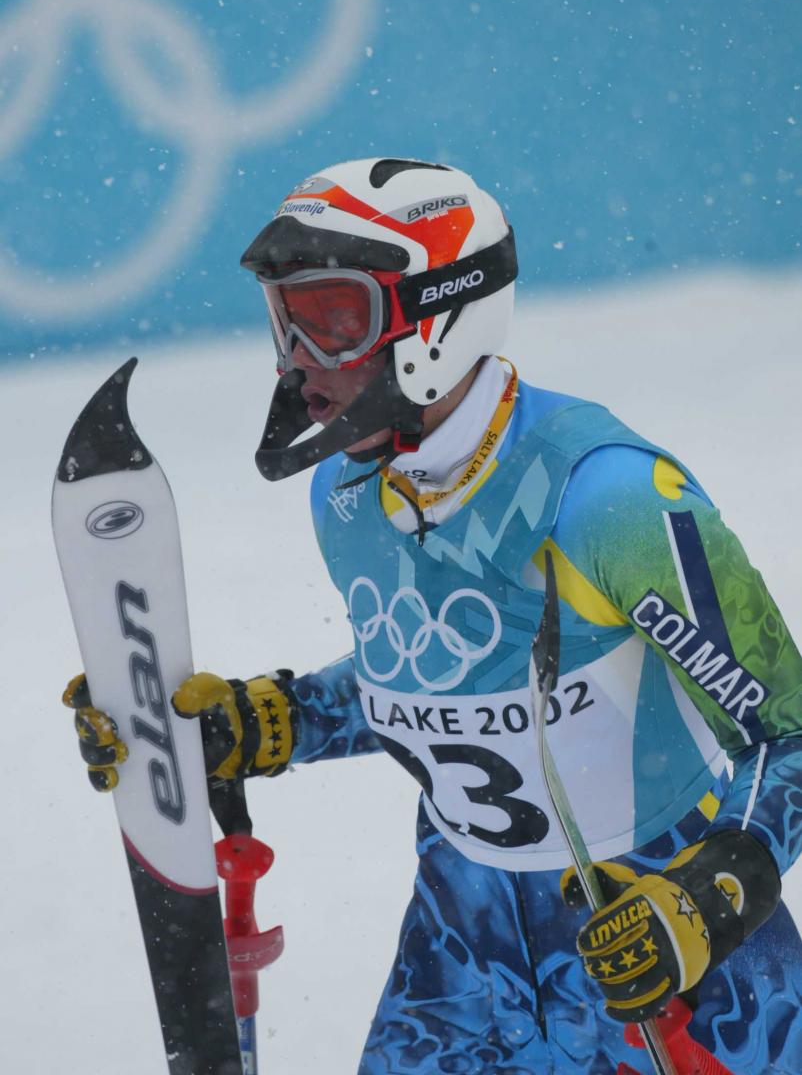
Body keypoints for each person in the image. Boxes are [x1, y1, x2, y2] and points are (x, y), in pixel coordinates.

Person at [64, 158, 802, 1074]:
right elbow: (442, 669)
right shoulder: (348, 495)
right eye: (285, 319)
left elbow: (788, 730)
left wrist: (713, 894)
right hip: (460, 954)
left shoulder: (606, 497)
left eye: (335, 318)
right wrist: (283, 719)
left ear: (439, 320)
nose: (298, 357)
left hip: (663, 964)